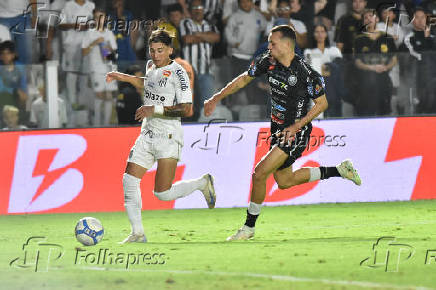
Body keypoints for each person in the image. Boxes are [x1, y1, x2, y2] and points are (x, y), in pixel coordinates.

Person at [204, 25, 361, 241]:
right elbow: (243, 79)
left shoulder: (306, 73)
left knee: (259, 174)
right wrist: (216, 97)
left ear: (287, 45)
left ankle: (248, 228)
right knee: (286, 181)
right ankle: (340, 170)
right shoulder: (267, 62)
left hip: (296, 132)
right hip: (278, 131)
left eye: (272, 42)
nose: (268, 46)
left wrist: (298, 125)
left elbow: (322, 103)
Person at [106, 30, 216, 243]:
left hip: (168, 135)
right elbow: (146, 83)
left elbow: (187, 109)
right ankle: (137, 233)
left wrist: (153, 109)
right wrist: (122, 76)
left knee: (162, 194)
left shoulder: (179, 73)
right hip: (147, 134)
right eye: (152, 50)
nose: (156, 55)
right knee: (129, 180)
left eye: (160, 51)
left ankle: (202, 183)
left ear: (170, 50)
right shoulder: (151, 66)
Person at [354, 9, 397, 116]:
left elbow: (394, 58)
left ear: (377, 19)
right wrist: (372, 68)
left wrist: (386, 67)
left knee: (384, 111)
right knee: (367, 111)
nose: (368, 19)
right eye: (365, 17)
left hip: (384, 78)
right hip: (365, 80)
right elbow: (357, 62)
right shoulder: (359, 39)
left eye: (371, 16)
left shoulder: (387, 37)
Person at [82, 7, 118, 127]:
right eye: (97, 17)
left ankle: (107, 125)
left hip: (109, 68)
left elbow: (114, 52)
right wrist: (94, 43)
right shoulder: (89, 33)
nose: (99, 20)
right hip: (96, 69)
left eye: (101, 17)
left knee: (108, 97)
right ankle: (96, 125)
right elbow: (83, 52)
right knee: (99, 96)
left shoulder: (109, 33)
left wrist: (109, 50)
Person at [304, 24, 343, 117]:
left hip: (333, 87)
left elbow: (339, 67)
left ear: (326, 34)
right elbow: (310, 69)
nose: (320, 34)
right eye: (317, 32)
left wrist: (324, 68)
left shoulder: (334, 50)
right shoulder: (308, 51)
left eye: (322, 32)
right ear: (313, 34)